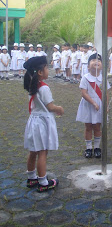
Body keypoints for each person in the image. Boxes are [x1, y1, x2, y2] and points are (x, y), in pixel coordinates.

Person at [23, 56, 64, 192]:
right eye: (47, 67)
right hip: (42, 122)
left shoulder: (32, 85)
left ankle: (31, 177)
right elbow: (50, 106)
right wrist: (59, 109)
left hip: (34, 120)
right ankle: (43, 182)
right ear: (40, 72)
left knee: (33, 151)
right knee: (42, 151)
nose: (48, 70)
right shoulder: (44, 88)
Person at [76, 53, 110, 159]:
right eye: (93, 61)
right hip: (88, 104)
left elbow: (106, 94)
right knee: (88, 127)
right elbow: (84, 93)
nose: (96, 62)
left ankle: (97, 147)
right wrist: (93, 103)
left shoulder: (103, 78)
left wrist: (106, 105)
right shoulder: (85, 78)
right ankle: (89, 148)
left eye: (99, 61)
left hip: (99, 105)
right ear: (88, 66)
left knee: (97, 127)